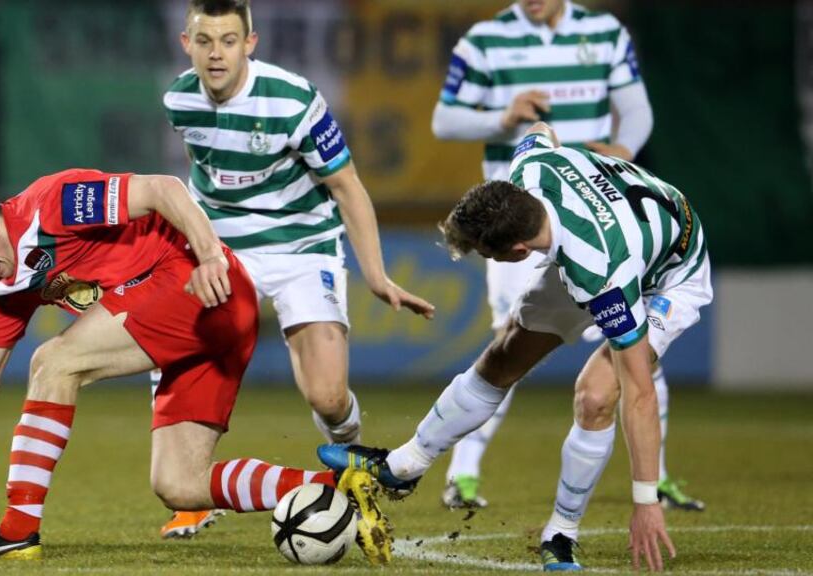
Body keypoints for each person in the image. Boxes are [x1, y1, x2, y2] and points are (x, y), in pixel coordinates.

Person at [0, 169, 390, 565]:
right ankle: (335, 486)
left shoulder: (51, 205)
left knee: (54, 362)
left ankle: (16, 530)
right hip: (201, 329)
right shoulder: (7, 286)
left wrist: (210, 254)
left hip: (200, 284)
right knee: (179, 484)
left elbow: (163, 188)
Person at [320, 122, 711, 572]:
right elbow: (539, 127)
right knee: (505, 353)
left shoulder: (599, 271)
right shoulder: (529, 163)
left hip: (668, 276)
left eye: (488, 255)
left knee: (598, 394)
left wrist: (646, 501)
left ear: (519, 251)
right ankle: (404, 466)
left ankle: (562, 533)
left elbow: (640, 394)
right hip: (619, 241)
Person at [157, 0, 435, 541]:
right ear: (186, 44)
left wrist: (375, 275)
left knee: (328, 396)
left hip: (302, 244)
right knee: (174, 351)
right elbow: (203, 172)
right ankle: (189, 492)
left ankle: (349, 456)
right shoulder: (178, 100)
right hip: (223, 250)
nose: (217, 54)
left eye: (229, 40)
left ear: (250, 44)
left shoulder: (294, 99)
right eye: (205, 41)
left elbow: (347, 186)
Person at [430, 0, 702, 515]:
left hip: (598, 222)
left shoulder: (604, 33)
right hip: (519, 221)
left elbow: (637, 111)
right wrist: (502, 116)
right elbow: (444, 121)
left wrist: (620, 153)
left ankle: (656, 478)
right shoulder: (485, 41)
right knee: (508, 346)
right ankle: (462, 475)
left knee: (638, 350)